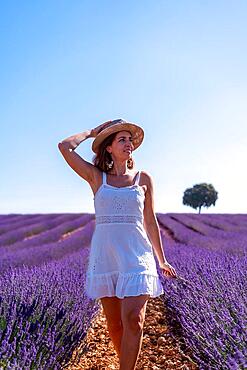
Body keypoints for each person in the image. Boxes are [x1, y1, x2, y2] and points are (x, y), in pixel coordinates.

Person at [58, 118, 177, 370]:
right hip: (107, 257)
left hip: (137, 255)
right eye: (121, 139)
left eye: (130, 140)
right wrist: (91, 132)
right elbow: (64, 147)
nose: (128, 144)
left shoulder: (143, 179)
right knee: (115, 325)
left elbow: (150, 221)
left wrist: (162, 258)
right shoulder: (96, 178)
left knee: (134, 319)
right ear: (109, 147)